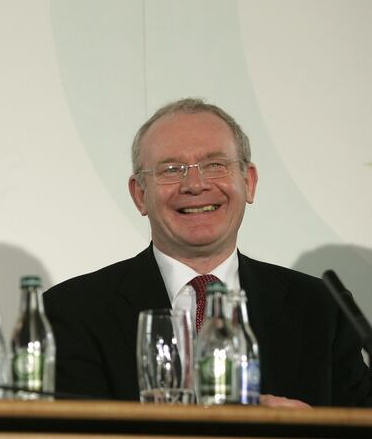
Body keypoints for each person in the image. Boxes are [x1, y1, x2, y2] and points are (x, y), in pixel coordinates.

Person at [44, 98, 372, 407]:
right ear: (140, 195)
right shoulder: (73, 311)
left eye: (215, 164)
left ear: (249, 182)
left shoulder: (322, 309)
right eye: (171, 169)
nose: (195, 184)